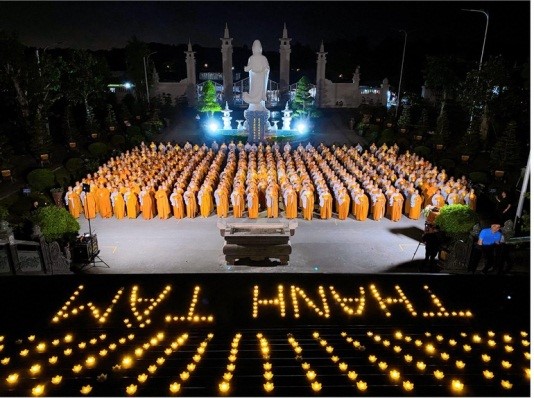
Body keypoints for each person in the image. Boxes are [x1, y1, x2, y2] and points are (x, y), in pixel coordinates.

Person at [243, 40, 270, 110]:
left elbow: (248, 68)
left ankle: (254, 100)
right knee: (257, 90)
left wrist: (245, 68)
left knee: (254, 90)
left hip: (256, 78)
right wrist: (263, 70)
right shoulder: (263, 58)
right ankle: (256, 100)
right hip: (259, 78)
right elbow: (267, 68)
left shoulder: (251, 58)